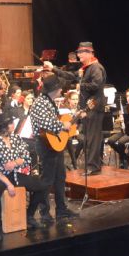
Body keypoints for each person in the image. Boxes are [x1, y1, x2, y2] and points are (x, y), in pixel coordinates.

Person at [0, 113, 48, 242]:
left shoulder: (15, 138)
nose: (13, 125)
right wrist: (8, 184)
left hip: (14, 174)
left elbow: (27, 156)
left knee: (43, 186)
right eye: (11, 123)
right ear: (4, 127)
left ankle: (29, 216)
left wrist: (16, 163)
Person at [45, 41, 106, 175]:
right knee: (89, 138)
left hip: (94, 107)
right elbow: (71, 76)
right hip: (87, 108)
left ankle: (93, 167)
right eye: (78, 53)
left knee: (93, 138)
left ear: (90, 53)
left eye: (81, 53)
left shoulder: (95, 68)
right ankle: (92, 166)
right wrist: (53, 69)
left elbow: (96, 84)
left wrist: (81, 85)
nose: (79, 56)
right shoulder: (85, 68)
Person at [30, 75, 78, 222]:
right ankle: (44, 213)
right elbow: (46, 124)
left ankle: (61, 210)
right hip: (45, 144)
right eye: (60, 88)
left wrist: (73, 119)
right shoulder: (40, 103)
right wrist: (63, 125)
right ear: (55, 89)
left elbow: (53, 121)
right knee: (47, 180)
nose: (62, 90)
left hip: (54, 143)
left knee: (60, 178)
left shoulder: (49, 101)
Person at [108, 88, 129, 169]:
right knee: (110, 140)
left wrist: (127, 121)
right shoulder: (125, 108)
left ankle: (124, 160)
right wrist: (121, 120)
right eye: (127, 96)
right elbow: (122, 123)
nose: (128, 98)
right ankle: (124, 156)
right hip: (124, 130)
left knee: (121, 142)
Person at [62, 90, 85, 170]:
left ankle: (73, 161)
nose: (75, 101)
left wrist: (78, 130)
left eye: (76, 99)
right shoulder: (64, 109)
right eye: (73, 99)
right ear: (69, 100)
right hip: (66, 132)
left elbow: (81, 123)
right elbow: (63, 122)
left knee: (83, 140)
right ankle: (75, 164)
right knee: (68, 140)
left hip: (76, 131)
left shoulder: (79, 109)